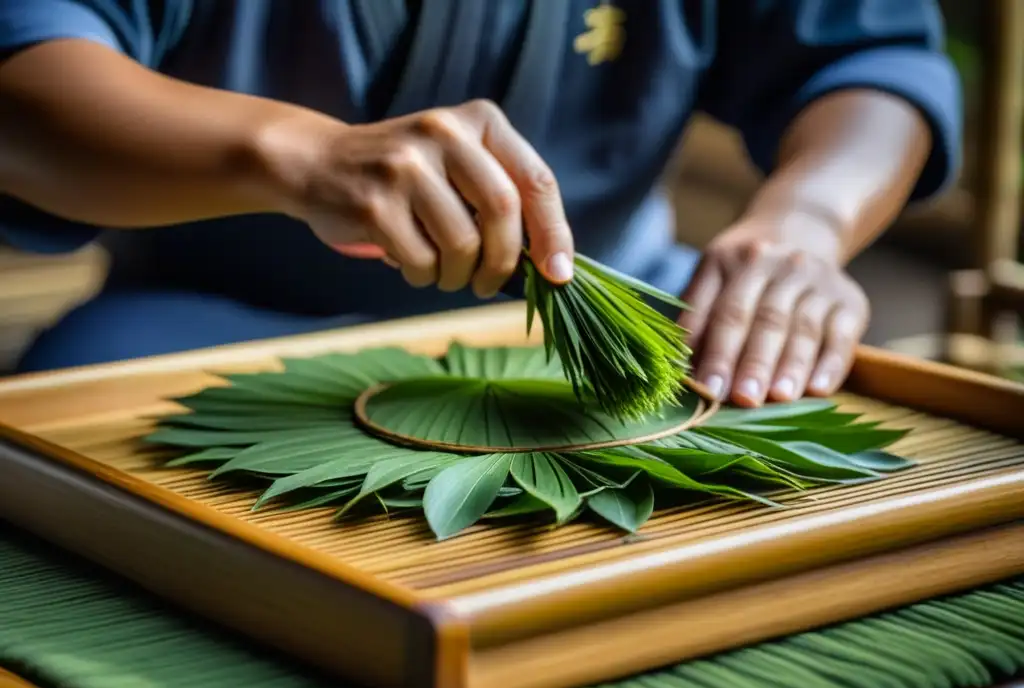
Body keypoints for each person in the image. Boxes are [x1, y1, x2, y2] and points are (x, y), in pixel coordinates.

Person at [0, 0, 960, 408]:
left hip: (630, 311)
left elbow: (864, 54)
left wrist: (808, 223)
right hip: (207, 323)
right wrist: (300, 157)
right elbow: (27, 71)